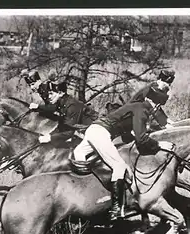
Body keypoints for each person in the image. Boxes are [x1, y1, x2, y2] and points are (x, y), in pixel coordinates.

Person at [72, 84, 174, 221]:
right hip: (101, 133)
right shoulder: (142, 109)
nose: (156, 109)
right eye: (158, 105)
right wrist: (158, 144)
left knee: (79, 155)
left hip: (93, 129)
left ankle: (83, 196)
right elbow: (141, 139)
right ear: (154, 102)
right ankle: (116, 208)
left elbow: (129, 134)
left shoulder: (136, 104)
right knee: (119, 166)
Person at [25, 71, 99, 144]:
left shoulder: (49, 89)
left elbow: (53, 108)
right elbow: (63, 123)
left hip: (92, 130)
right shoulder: (46, 93)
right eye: (30, 85)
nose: (31, 87)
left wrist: (38, 107)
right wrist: (50, 135)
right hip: (70, 121)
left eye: (32, 84)